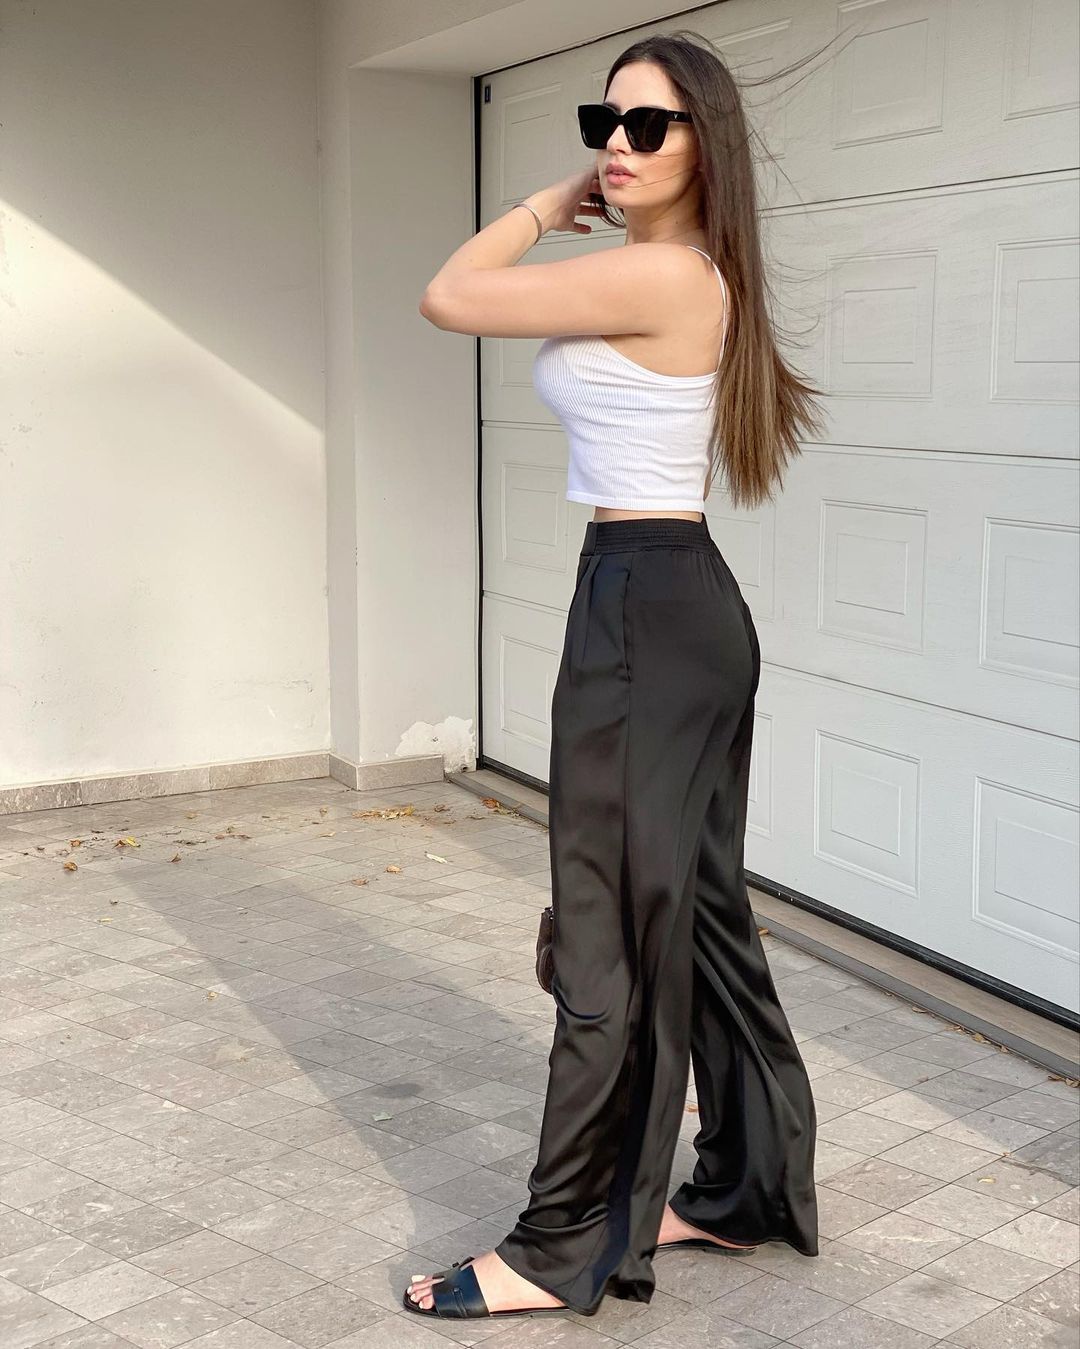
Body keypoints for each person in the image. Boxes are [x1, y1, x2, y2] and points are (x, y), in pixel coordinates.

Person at [407, 30, 828, 1324]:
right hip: (664, 604)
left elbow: (450, 295)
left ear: (707, 142)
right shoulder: (689, 270)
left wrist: (546, 204)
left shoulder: (661, 272)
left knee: (606, 931)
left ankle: (562, 1244)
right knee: (695, 915)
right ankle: (748, 1185)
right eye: (606, 124)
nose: (618, 147)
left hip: (648, 614)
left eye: (649, 126)